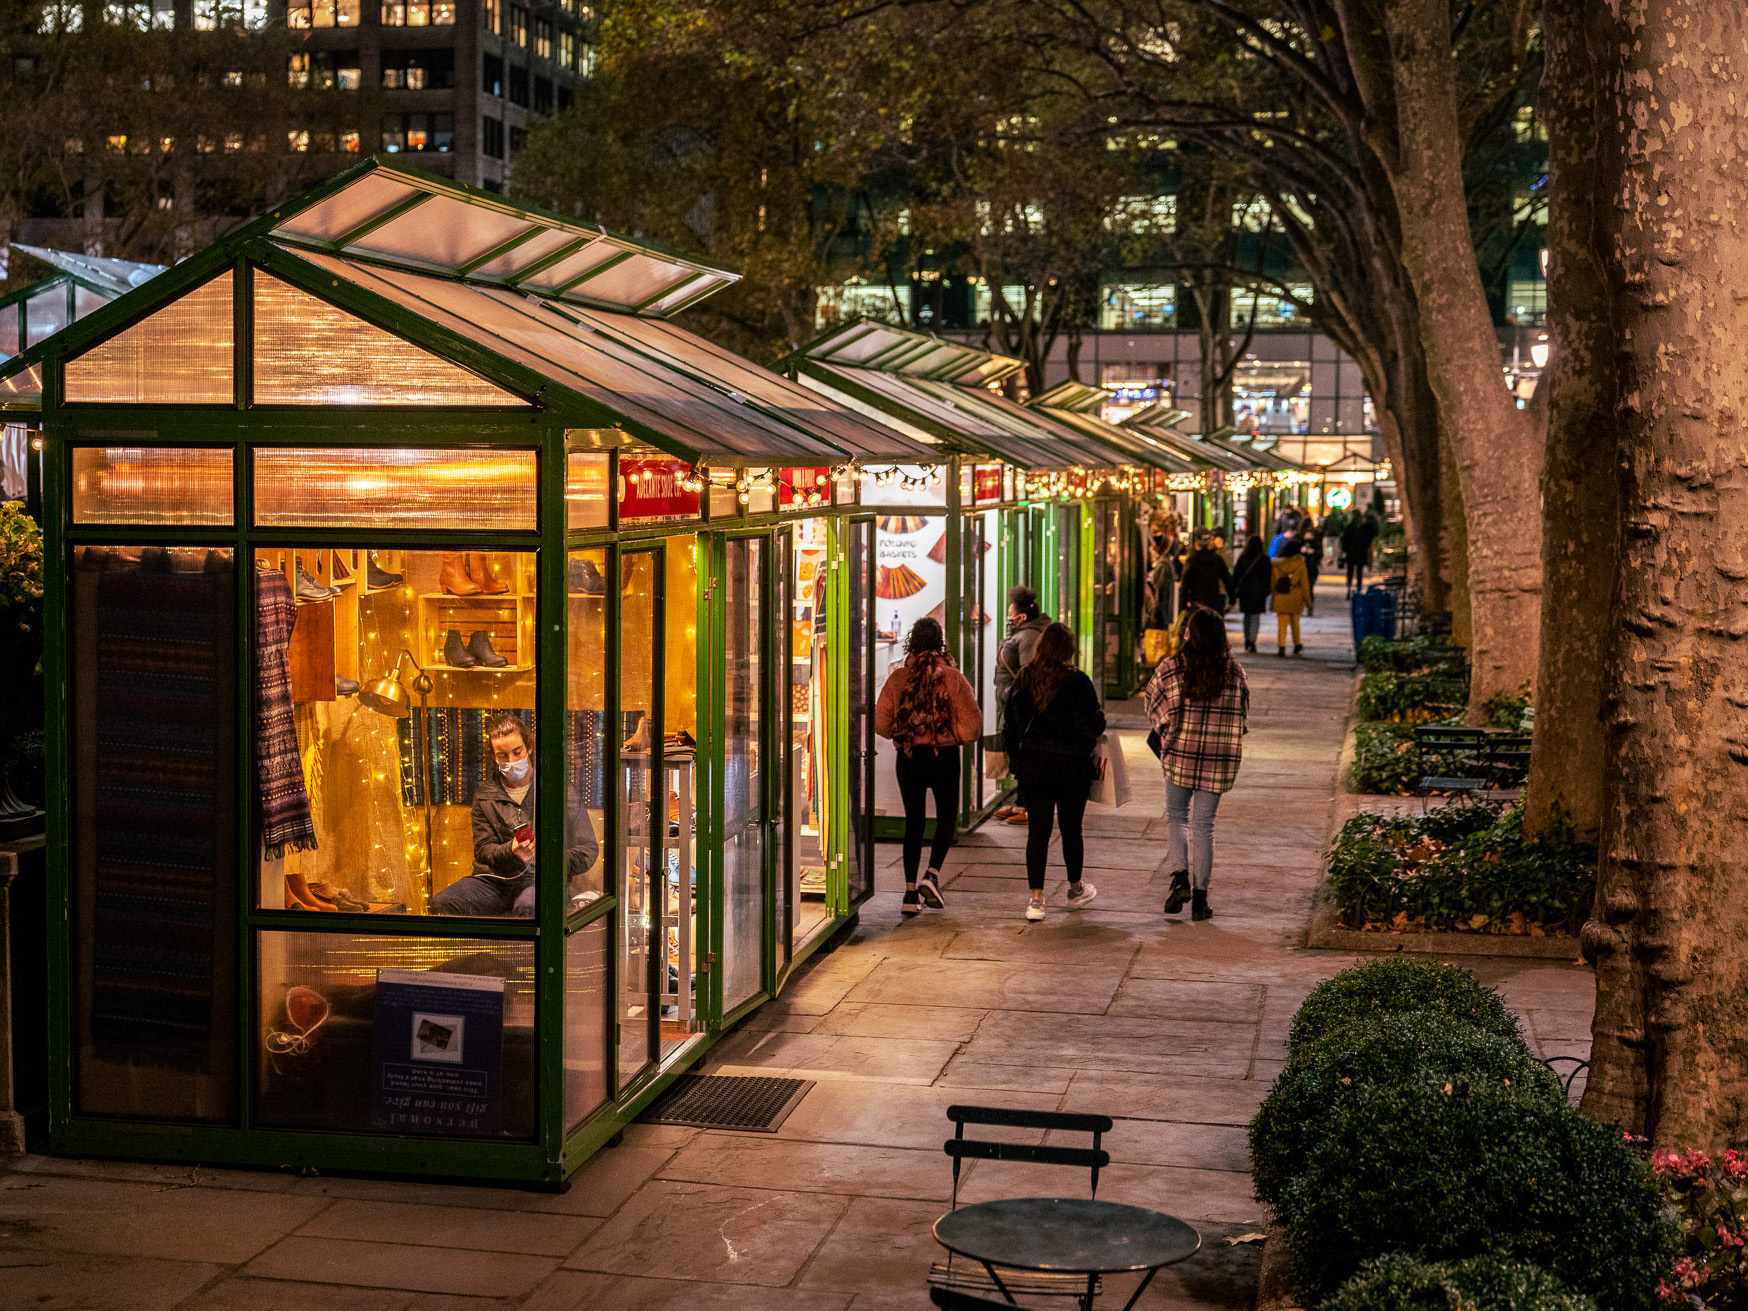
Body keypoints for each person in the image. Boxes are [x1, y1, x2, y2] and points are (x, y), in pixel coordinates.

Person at [433, 712, 598, 917]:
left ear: (528, 747)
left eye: (517, 752)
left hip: (541, 880)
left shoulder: (558, 790)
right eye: (502, 755)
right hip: (494, 881)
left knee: (529, 907)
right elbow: (483, 850)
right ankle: (473, 951)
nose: (511, 760)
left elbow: (587, 850)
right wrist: (509, 850)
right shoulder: (485, 796)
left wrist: (549, 859)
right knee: (443, 903)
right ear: (493, 756)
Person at [1144, 606, 1250, 921]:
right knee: (1204, 825)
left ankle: (1179, 878)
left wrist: (1168, 730)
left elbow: (1152, 705)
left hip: (1180, 755)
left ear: (1189, 634)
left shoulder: (1171, 668)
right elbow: (1242, 717)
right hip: (1217, 761)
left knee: (1177, 817)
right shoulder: (1234, 673)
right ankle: (1201, 900)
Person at [874, 617, 982, 916]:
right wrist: (952, 737)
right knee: (947, 816)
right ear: (940, 643)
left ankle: (909, 895)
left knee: (914, 821)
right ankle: (931, 874)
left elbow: (881, 722)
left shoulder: (898, 678)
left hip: (909, 757)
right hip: (944, 756)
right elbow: (970, 727)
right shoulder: (954, 678)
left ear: (912, 643)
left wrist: (903, 733)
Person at [1001, 622, 1104, 922]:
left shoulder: (1024, 678)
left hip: (1035, 767)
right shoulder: (1079, 682)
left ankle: (1036, 899)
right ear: (1069, 651)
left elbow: (1010, 726)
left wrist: (1017, 758)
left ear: (1041, 647)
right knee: (1072, 830)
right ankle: (1075, 889)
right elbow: (1095, 725)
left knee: (1038, 833)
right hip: (1073, 767)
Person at [993, 585, 1052, 823]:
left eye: (1011, 614)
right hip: (1013, 704)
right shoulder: (1027, 633)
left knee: (1023, 755)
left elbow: (1030, 675)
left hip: (1020, 708)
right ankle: (1020, 803)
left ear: (1022, 616)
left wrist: (1013, 694)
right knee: (1017, 755)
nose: (1009, 619)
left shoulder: (1028, 637)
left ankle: (1028, 806)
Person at [1270, 537, 1312, 656]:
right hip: (1295, 596)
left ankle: (1281, 645)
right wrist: (1308, 601)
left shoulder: (1276, 564)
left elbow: (1273, 582)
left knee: (1282, 624)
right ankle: (1297, 644)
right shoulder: (1300, 563)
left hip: (1280, 596)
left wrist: (1273, 594)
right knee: (1295, 622)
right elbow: (1304, 584)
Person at [1231, 535, 1272, 653]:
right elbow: (1268, 577)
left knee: (1247, 616)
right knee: (1255, 617)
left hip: (1245, 591)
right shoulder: (1264, 559)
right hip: (1258, 592)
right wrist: (1267, 591)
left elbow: (1236, 575)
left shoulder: (1243, 558)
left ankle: (1247, 639)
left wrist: (1234, 591)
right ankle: (1252, 640)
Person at [1178, 531, 1235, 613]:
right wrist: (1232, 599)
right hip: (1214, 601)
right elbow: (1227, 579)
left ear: (1197, 545)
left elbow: (1185, 584)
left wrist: (1183, 604)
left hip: (1197, 601)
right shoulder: (1217, 559)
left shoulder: (1192, 560)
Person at [1341, 509, 1377, 595]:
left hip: (1351, 552)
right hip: (1361, 552)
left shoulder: (1350, 527)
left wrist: (1345, 550)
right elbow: (1369, 538)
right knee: (1359, 571)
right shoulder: (1364, 527)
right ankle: (1358, 588)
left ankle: (1349, 588)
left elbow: (1344, 540)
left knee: (1350, 570)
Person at [1298, 525, 1322, 605]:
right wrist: (1301, 551)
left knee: (1310, 588)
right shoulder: (1299, 544)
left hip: (1312, 570)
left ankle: (1309, 605)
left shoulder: (1316, 545)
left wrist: (1313, 552)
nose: (1308, 537)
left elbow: (1320, 555)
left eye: (1310, 535)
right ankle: (1302, 604)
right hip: (1301, 570)